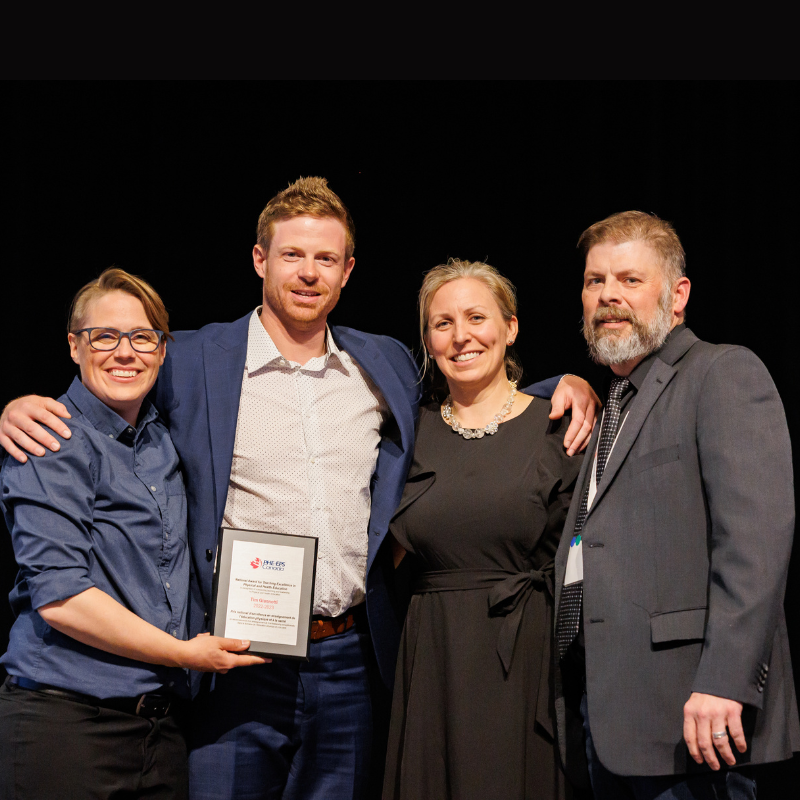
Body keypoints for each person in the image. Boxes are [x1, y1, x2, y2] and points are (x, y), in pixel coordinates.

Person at [0, 178, 599, 800]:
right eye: (292, 255)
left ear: (347, 272)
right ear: (260, 260)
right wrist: (20, 408)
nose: (308, 273)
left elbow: (466, 402)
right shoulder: (193, 359)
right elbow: (114, 374)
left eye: (326, 259)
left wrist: (559, 385)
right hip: (235, 662)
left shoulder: (384, 362)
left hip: (349, 661)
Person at [552, 211, 800, 800]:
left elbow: (756, 543)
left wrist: (725, 681)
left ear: (678, 294)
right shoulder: (611, 402)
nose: (609, 295)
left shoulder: (722, 373)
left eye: (630, 280)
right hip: (608, 716)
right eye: (595, 282)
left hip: (696, 717)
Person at [0, 269, 265, 800]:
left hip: (160, 730)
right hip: (68, 724)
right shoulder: (50, 439)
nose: (126, 352)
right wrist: (184, 653)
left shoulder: (163, 437)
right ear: (75, 346)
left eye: (143, 337)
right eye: (105, 337)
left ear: (163, 351)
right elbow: (63, 600)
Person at [383, 259, 583, 800]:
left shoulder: (560, 427)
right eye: (442, 323)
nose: (461, 335)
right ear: (427, 339)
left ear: (510, 327)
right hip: (434, 663)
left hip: (530, 660)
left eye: (476, 317)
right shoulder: (404, 437)